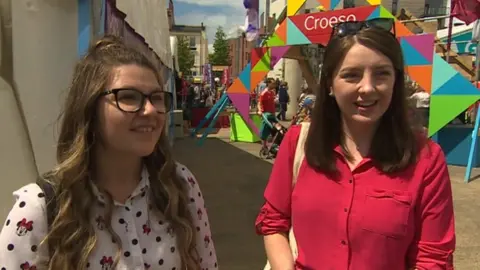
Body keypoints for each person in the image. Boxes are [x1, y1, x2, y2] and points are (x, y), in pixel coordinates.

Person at [0, 35, 217, 269]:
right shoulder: (41, 207)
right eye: (128, 97)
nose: (150, 110)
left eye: (156, 98)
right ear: (89, 108)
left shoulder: (180, 185)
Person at [256, 18, 455, 270]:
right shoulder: (298, 143)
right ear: (329, 84)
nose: (367, 88)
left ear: (396, 79)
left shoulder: (426, 158)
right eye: (351, 75)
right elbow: (274, 221)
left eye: (382, 73)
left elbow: (433, 259)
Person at [258, 79, 278, 147]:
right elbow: (259, 102)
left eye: (274, 83)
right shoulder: (264, 93)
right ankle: (264, 147)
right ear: (268, 84)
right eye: (273, 83)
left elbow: (272, 103)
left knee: (274, 130)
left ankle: (272, 146)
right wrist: (260, 111)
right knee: (265, 131)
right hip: (266, 114)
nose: (274, 85)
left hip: (272, 114)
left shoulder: (272, 92)